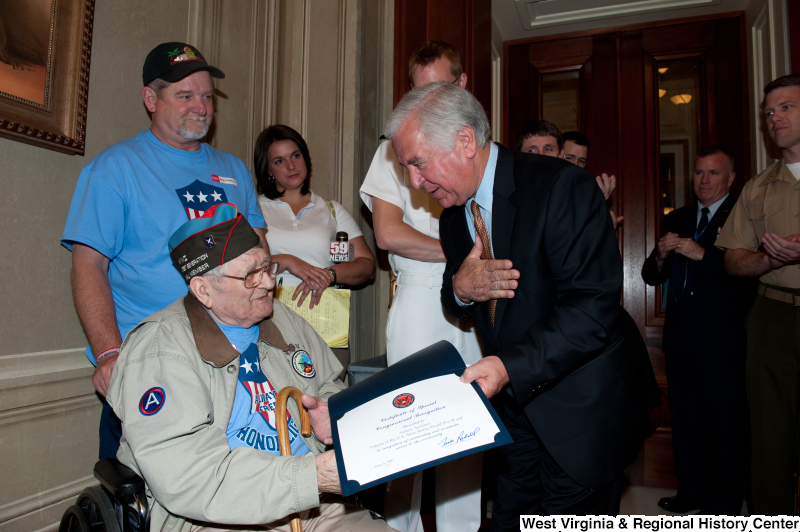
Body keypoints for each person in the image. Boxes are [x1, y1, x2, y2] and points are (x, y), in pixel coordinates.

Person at [386, 82, 659, 522]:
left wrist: (507, 367)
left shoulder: (561, 187)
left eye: (417, 164)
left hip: (582, 408)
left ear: (465, 141)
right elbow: (454, 301)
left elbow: (591, 310)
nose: (414, 183)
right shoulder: (454, 219)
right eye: (406, 169)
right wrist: (461, 288)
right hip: (515, 410)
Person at [106, 204, 395, 532]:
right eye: (250, 275)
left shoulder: (283, 319)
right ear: (204, 290)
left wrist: (331, 415)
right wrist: (312, 476)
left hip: (307, 504)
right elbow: (192, 477)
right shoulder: (161, 348)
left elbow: (328, 383)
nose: (269, 283)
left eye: (267, 268)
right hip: (213, 516)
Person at [60, 42, 266, 460]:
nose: (201, 107)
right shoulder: (113, 169)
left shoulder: (234, 169)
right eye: (185, 96)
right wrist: (109, 355)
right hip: (152, 365)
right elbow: (88, 266)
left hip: (235, 361)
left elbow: (260, 253)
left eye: (207, 96)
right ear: (151, 99)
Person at [359, 40, 484, 532]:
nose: (426, 102)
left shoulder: (477, 147)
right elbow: (387, 234)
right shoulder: (393, 149)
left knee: (466, 435)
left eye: (438, 88)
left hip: (473, 300)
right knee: (407, 431)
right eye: (418, 91)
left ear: (462, 84)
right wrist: (460, 257)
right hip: (419, 295)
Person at [641, 146, 755, 515]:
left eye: (713, 174)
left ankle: (723, 504)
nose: (704, 181)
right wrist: (661, 254)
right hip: (680, 338)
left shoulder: (743, 214)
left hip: (722, 339)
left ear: (731, 178)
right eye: (699, 173)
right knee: (686, 423)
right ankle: (689, 495)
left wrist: (703, 255)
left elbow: (749, 274)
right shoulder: (679, 216)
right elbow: (650, 274)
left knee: (724, 425)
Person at [716, 74, 800, 515]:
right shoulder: (758, 187)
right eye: (769, 112)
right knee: (770, 436)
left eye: (786, 107)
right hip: (772, 316)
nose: (775, 118)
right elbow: (732, 260)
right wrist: (768, 260)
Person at [516, 121, 621, 226]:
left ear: (559, 154)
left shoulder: (582, 198)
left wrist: (597, 212)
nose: (542, 156)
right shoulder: (510, 195)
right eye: (532, 150)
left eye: (548, 149)